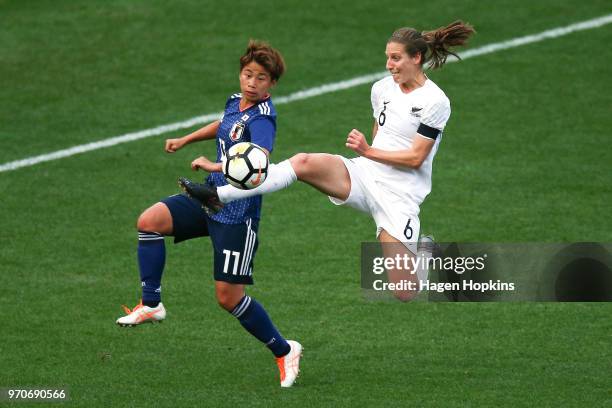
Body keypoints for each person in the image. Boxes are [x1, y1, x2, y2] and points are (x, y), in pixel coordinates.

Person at [180, 21, 475, 301]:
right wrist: (369, 155)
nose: (389, 65)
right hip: (365, 174)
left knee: (404, 291)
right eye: (387, 58)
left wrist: (367, 151)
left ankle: (424, 251)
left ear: (417, 57)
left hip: (400, 195)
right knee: (304, 162)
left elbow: (415, 157)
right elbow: (380, 131)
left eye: (396, 58)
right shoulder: (382, 88)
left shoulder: (436, 102)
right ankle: (220, 195)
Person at [117, 40, 302, 388]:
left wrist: (213, 163)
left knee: (227, 298)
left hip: (237, 214)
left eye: (261, 78)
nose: (252, 82)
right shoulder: (236, 101)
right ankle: (152, 303)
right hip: (207, 197)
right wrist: (186, 140)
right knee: (149, 222)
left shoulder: (264, 120)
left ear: (271, 84)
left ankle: (284, 350)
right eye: (248, 74)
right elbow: (223, 125)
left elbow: (258, 163)